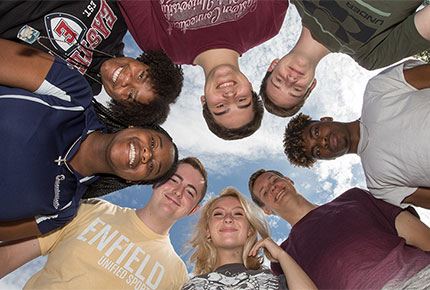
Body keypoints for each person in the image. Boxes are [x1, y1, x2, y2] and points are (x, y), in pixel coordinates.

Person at [0, 38, 178, 242]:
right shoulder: (72, 91)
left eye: (152, 166)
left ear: (133, 180)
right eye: (153, 143)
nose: (147, 154)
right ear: (134, 127)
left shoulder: (61, 211)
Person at [0, 157, 208, 290]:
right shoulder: (91, 210)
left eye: (190, 192)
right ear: (156, 182)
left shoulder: (177, 275)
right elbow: (9, 255)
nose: (178, 192)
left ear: (193, 210)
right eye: (174, 180)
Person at [118, 0, 289, 140]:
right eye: (242, 100)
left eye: (221, 105)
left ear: (204, 101)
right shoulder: (269, 21)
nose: (230, 96)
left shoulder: (161, 47)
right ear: (250, 87)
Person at [0, 0, 184, 125]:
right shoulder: (119, 17)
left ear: (119, 104)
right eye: (142, 75)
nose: (127, 79)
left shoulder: (72, 93)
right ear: (147, 62)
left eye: (130, 95)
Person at [283, 60, 430, 209]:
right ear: (329, 158)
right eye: (317, 151)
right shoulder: (379, 186)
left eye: (316, 132)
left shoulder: (378, 89)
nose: (323, 142)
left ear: (325, 119)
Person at [248, 169, 430, 289]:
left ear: (289, 180)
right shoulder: (284, 256)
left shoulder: (354, 197)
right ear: (267, 210)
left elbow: (421, 236)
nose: (273, 188)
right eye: (264, 192)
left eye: (274, 180)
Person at [260, 1, 430, 117]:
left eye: (279, 80)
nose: (291, 80)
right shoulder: (371, 55)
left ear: (273, 65)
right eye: (296, 90)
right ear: (311, 85)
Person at [182, 187, 316, 289]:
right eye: (218, 214)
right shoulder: (193, 286)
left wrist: (282, 255)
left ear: (250, 230)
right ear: (207, 230)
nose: (228, 219)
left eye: (238, 213)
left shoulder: (273, 280)